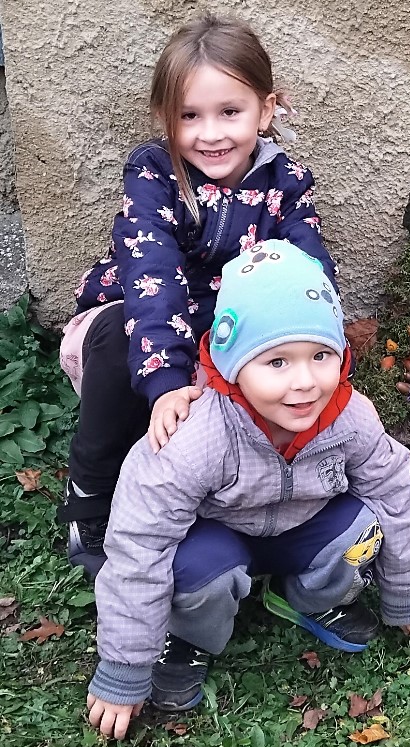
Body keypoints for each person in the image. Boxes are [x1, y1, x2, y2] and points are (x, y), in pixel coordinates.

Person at [85, 240, 410, 741]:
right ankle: (185, 636)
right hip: (218, 539)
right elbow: (140, 543)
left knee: (365, 526)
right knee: (193, 569)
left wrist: (408, 592)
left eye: (321, 355)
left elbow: (395, 498)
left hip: (300, 525)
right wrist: (124, 666)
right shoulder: (197, 436)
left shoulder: (352, 419)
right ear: (232, 364)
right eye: (277, 362)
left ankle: (311, 596)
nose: (305, 382)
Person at [58, 14, 338, 575]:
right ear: (166, 117)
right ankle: (91, 492)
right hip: (137, 327)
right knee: (117, 336)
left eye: (230, 112)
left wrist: (322, 350)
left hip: (222, 335)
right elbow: (152, 277)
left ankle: (235, 505)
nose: (210, 134)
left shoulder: (286, 183)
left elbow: (309, 277)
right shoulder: (154, 175)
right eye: (189, 116)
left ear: (266, 109)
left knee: (259, 366)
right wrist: (165, 382)